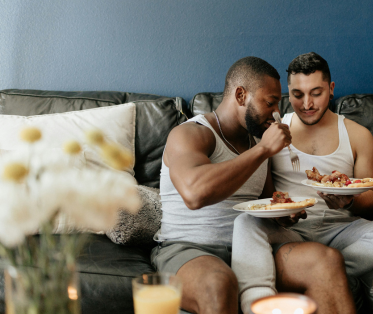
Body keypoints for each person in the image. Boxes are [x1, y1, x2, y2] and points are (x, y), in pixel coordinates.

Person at [151, 56, 356, 314]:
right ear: (240, 95)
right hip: (190, 248)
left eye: (278, 105)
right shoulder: (191, 134)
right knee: (218, 283)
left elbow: (268, 201)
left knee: (326, 261)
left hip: (254, 250)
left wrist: (286, 214)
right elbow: (195, 194)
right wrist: (263, 151)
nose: (275, 114)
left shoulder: (257, 143)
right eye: (269, 103)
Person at [232, 52, 373, 314]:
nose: (306, 104)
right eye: (297, 94)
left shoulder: (358, 135)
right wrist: (282, 215)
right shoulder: (272, 133)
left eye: (316, 93)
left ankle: (317, 271)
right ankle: (257, 303)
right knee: (245, 221)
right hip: (291, 233)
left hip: (342, 230)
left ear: (331, 89)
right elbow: (267, 194)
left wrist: (349, 201)